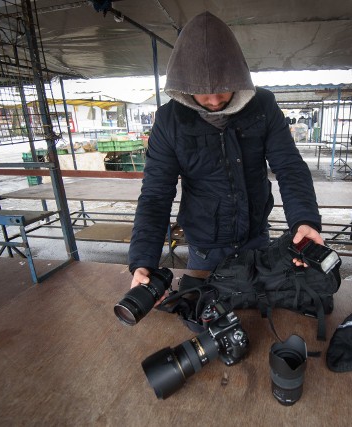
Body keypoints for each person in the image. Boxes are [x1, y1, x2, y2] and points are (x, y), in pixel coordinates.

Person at [128, 11, 323, 292]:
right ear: (184, 88)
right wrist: (142, 261)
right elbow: (155, 196)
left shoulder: (263, 106)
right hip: (205, 247)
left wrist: (304, 221)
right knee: (208, 313)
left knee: (257, 310)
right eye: (203, 92)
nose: (215, 99)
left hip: (256, 237)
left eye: (224, 88)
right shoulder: (169, 121)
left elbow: (290, 167)